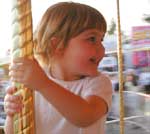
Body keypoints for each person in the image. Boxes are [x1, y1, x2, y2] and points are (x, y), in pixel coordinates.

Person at [4, 2, 112, 134]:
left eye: (101, 40)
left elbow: (86, 117)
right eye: (92, 39)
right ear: (57, 45)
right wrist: (12, 114)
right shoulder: (35, 81)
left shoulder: (98, 83)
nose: (102, 48)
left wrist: (43, 84)